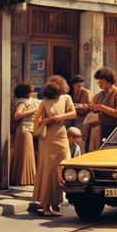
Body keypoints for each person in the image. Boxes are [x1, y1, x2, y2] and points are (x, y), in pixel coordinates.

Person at [32, 76, 76, 216]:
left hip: (61, 136)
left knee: (61, 168)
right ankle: (45, 206)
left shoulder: (66, 98)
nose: (58, 95)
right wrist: (45, 120)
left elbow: (74, 113)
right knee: (47, 170)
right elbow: (36, 120)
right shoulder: (45, 102)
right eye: (56, 93)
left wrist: (60, 117)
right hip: (48, 138)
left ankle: (57, 204)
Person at [86, 67, 117, 149]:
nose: (100, 85)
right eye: (98, 83)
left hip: (114, 130)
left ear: (109, 82)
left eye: (102, 83)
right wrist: (90, 107)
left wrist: (101, 107)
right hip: (102, 128)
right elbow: (93, 105)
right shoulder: (100, 94)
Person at [10, 81, 39, 186]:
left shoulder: (28, 100)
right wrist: (32, 111)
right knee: (24, 156)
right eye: (30, 91)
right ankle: (22, 180)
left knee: (27, 155)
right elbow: (17, 116)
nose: (31, 93)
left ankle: (25, 179)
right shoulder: (22, 102)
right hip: (24, 130)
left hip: (28, 130)